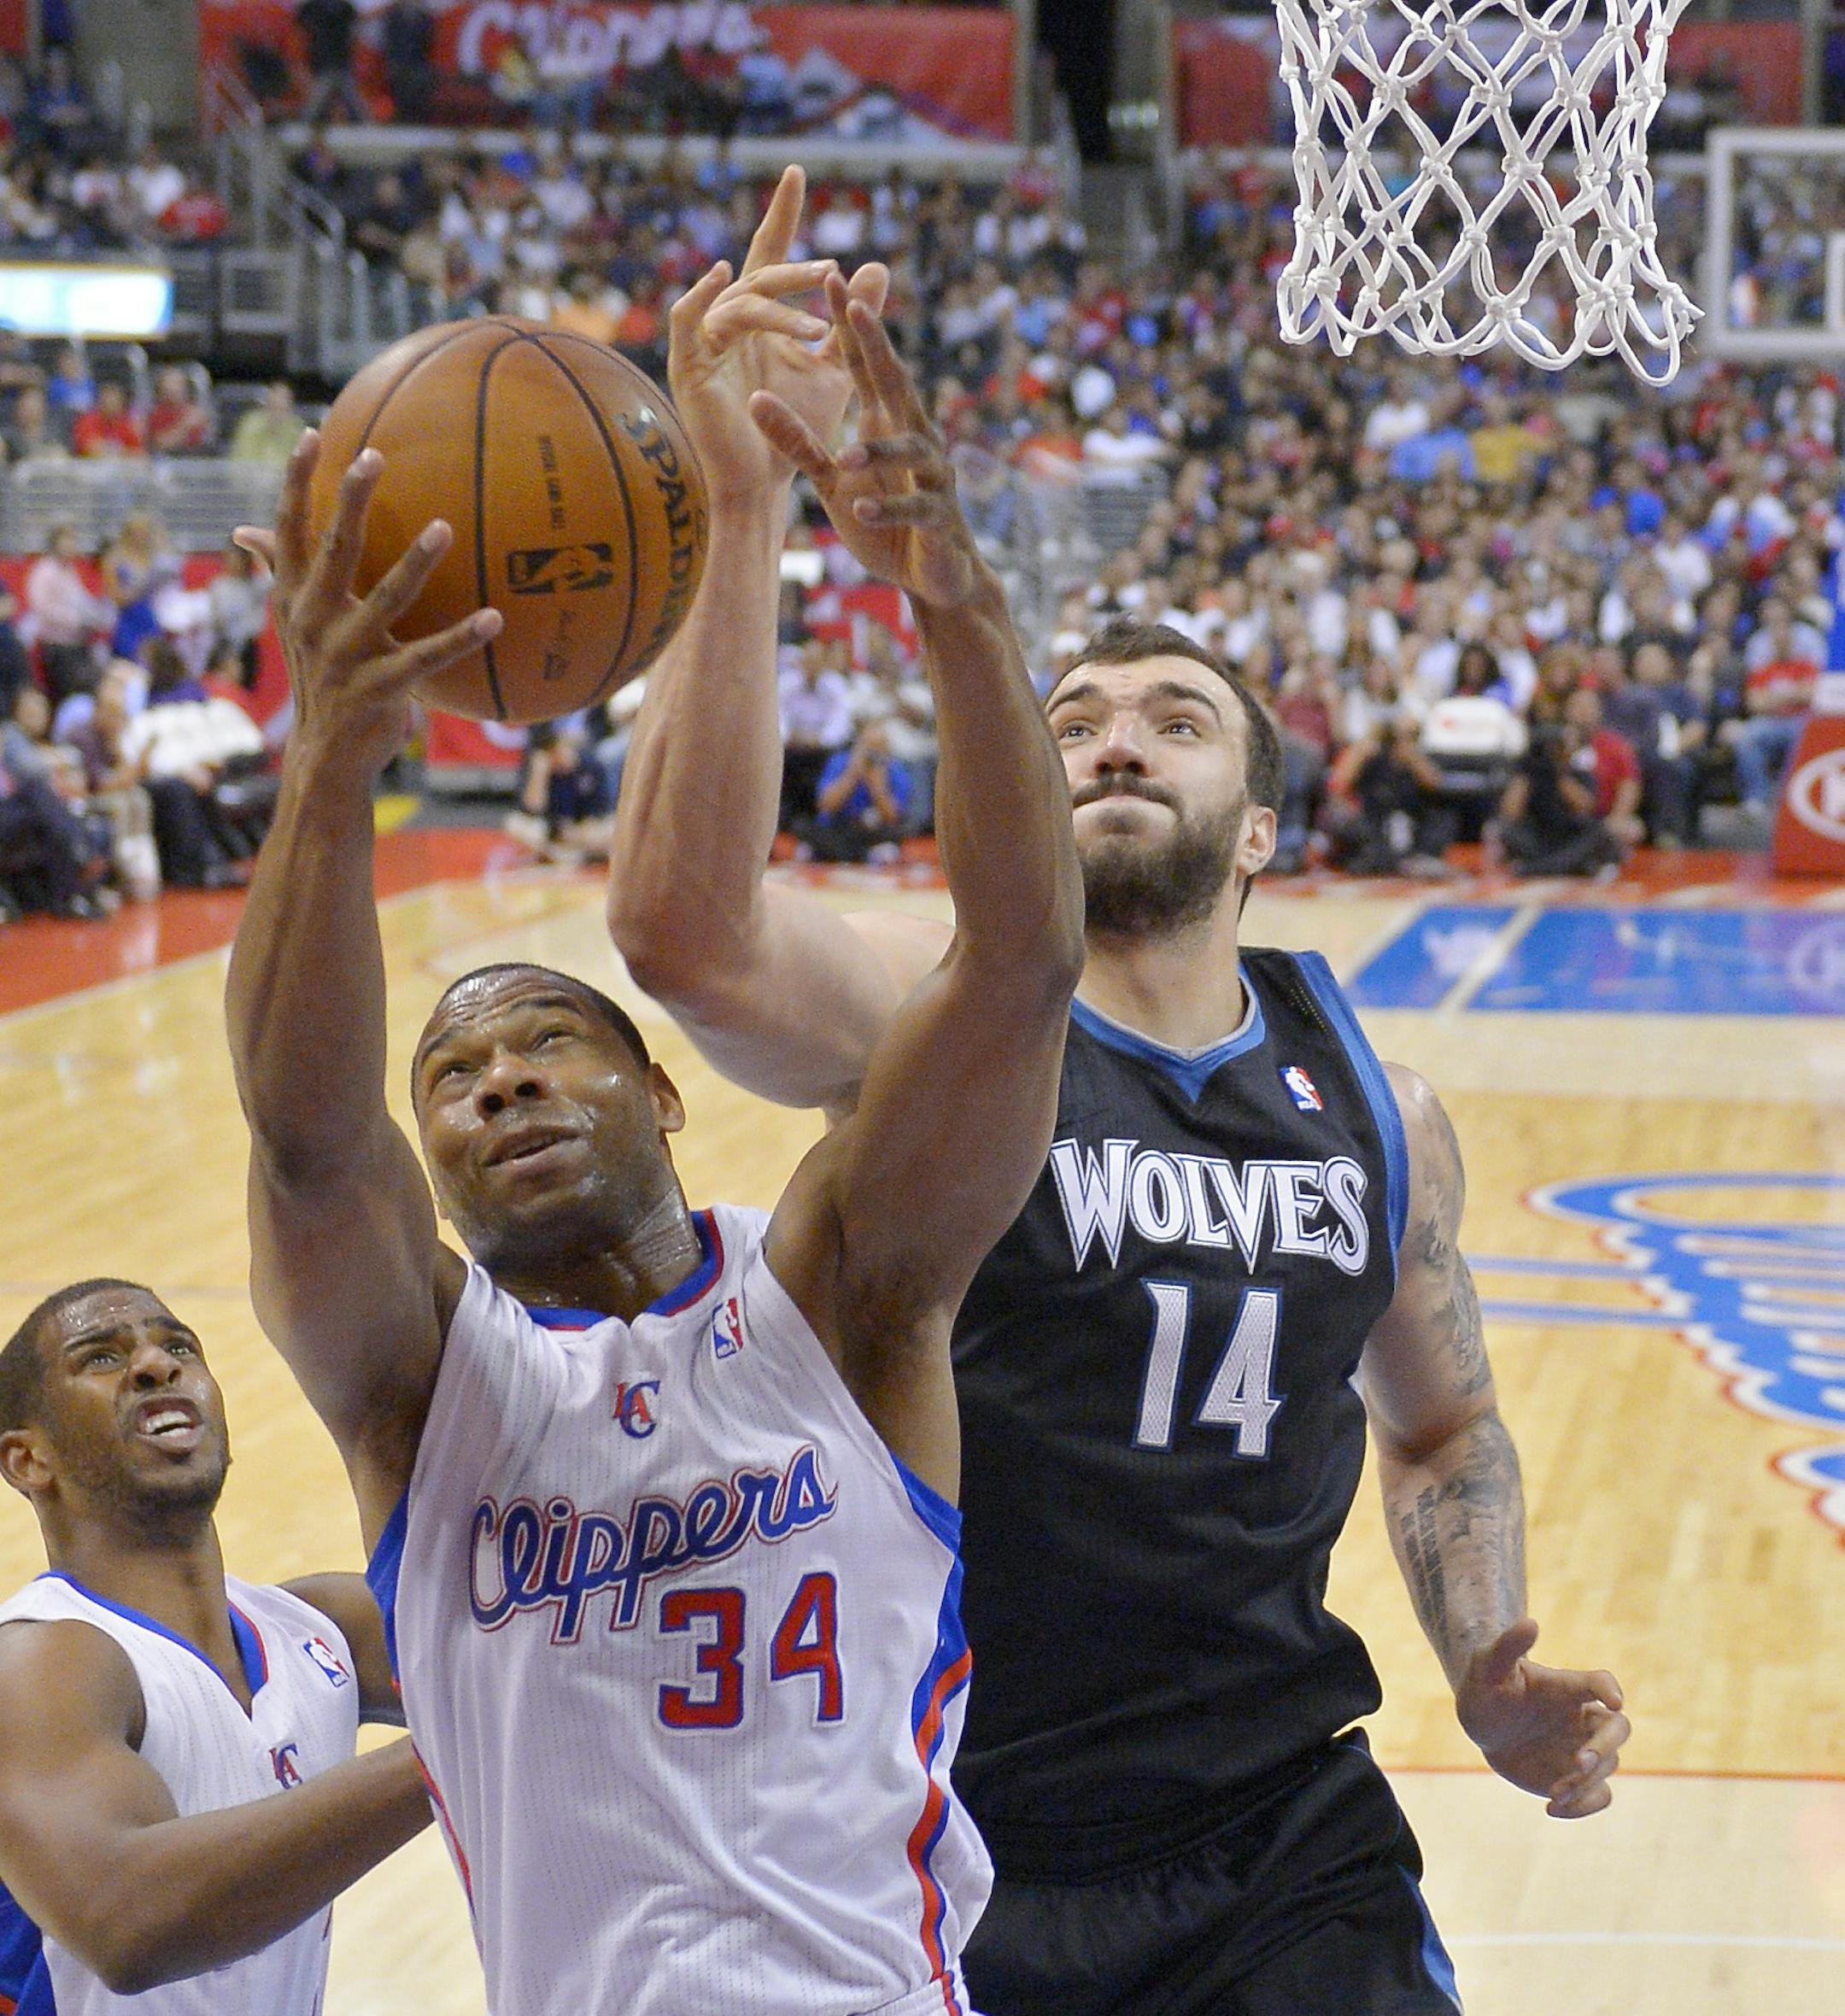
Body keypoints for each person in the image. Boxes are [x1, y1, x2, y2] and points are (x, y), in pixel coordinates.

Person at [604, 175, 1631, 2016]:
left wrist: (1481, 1662)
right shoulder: (943, 1032)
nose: (1109, 739)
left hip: (1281, 1824)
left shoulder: (1376, 1104)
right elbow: (686, 933)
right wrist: (740, 510)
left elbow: (1445, 1428)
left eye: (1172, 714)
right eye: (1072, 718)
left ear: (1259, 825)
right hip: (951, 1811)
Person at [223, 175, 1083, 2016]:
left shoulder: (843, 1298)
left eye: (543, 1041)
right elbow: (305, 1133)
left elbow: (1016, 967)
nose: (496, 1079)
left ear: (667, 1096)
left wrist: (949, 591)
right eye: (450, 1076)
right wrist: (333, 764)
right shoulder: (420, 1391)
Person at [0, 1278, 431, 2008]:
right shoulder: (44, 1665)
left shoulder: (322, 1630)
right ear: (27, 1461)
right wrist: (451, 1751)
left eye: (178, 1347)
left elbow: (549, 1653)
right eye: (100, 1358)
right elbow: (125, 1923)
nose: (154, 1366)